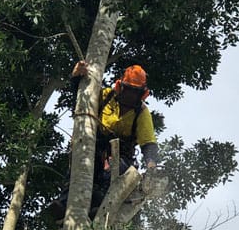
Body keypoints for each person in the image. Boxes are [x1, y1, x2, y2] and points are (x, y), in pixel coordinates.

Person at [49, 61, 159, 220]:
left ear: (141, 94)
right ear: (121, 86)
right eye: (129, 90)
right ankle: (64, 203)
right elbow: (81, 100)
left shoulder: (141, 113)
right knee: (81, 166)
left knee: (113, 173)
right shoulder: (106, 96)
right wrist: (75, 78)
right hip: (94, 147)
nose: (130, 96)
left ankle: (98, 207)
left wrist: (151, 166)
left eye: (135, 93)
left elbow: (148, 143)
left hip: (120, 157)